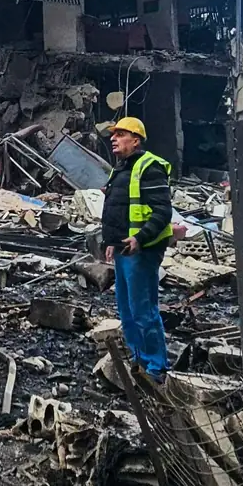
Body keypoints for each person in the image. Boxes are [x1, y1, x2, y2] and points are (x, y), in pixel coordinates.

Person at [101, 116, 173, 383]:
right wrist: (112, 241)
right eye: (114, 134)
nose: (114, 138)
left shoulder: (149, 167)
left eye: (121, 134)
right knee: (127, 309)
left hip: (142, 251)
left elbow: (163, 211)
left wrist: (140, 239)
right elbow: (118, 210)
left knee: (143, 309)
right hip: (123, 249)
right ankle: (138, 358)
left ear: (136, 140)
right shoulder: (120, 169)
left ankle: (156, 367)